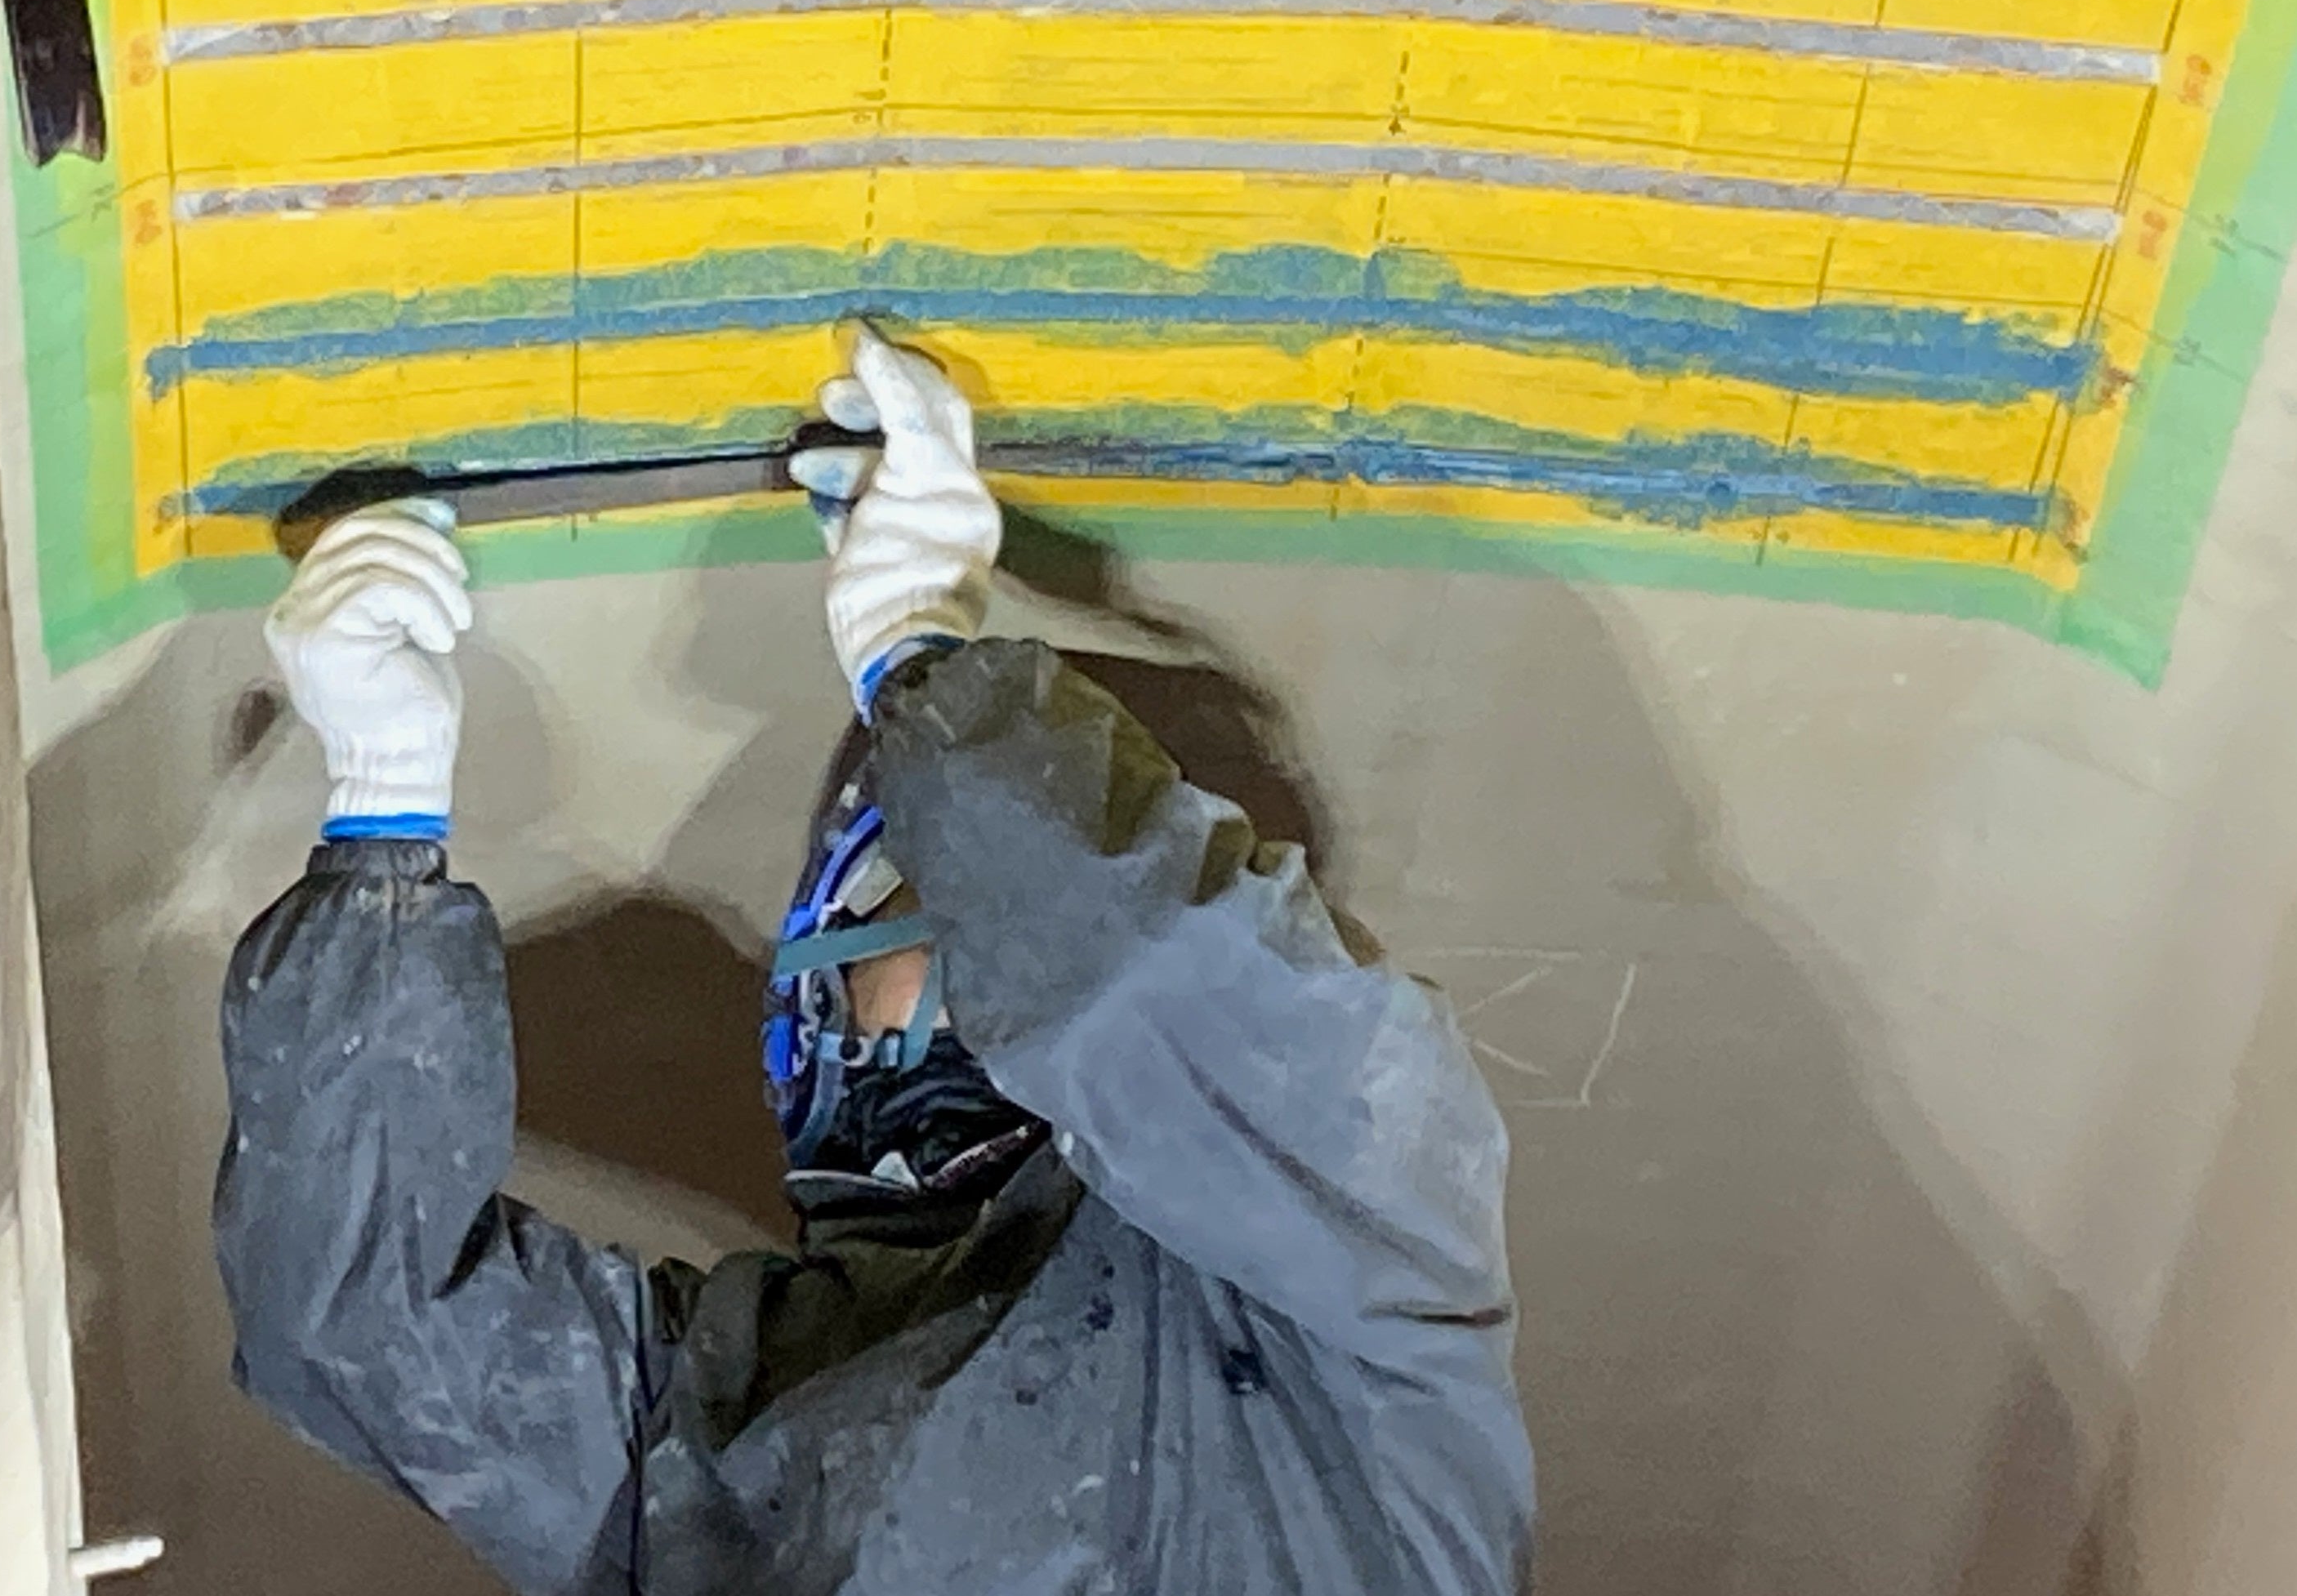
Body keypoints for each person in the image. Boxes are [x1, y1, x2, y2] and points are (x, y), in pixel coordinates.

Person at [213, 326, 1535, 1595]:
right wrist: (925, 669)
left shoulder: (1319, 1315)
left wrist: (381, 806)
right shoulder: (1354, 1323)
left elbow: (368, 1326)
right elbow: (1203, 998)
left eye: (941, 881)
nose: (982, 934)